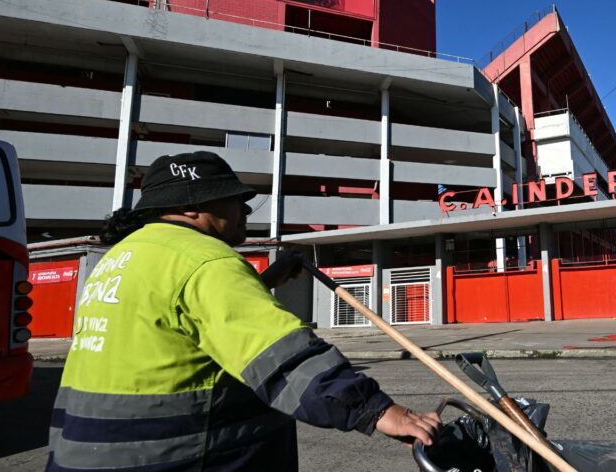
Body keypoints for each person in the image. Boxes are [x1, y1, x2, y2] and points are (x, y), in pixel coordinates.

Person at [47, 151, 440, 471]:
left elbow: (180, 321)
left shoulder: (125, 256)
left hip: (88, 455)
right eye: (234, 199)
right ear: (190, 204)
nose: (245, 211)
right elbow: (283, 357)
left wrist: (264, 281)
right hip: (180, 457)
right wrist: (379, 410)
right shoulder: (204, 260)